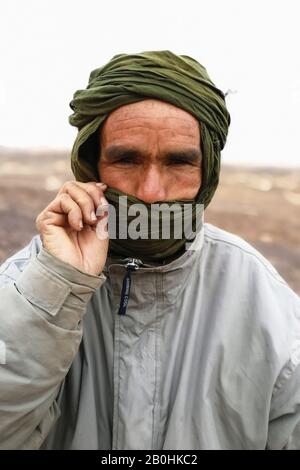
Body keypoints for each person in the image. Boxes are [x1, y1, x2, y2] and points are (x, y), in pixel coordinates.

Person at [0, 50, 299, 450]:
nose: (152, 193)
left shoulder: (265, 302)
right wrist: (59, 287)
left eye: (178, 162)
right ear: (92, 167)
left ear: (206, 171)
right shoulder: (26, 283)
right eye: (126, 159)